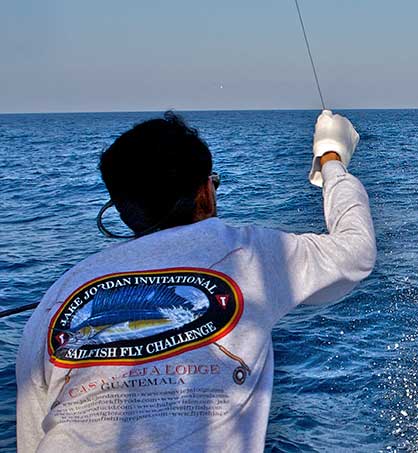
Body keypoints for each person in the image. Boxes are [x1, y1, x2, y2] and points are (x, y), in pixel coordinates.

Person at [15, 110, 375, 452]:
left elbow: (33, 429)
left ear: (122, 210)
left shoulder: (59, 293)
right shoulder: (249, 253)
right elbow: (355, 252)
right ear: (204, 193)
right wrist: (331, 158)